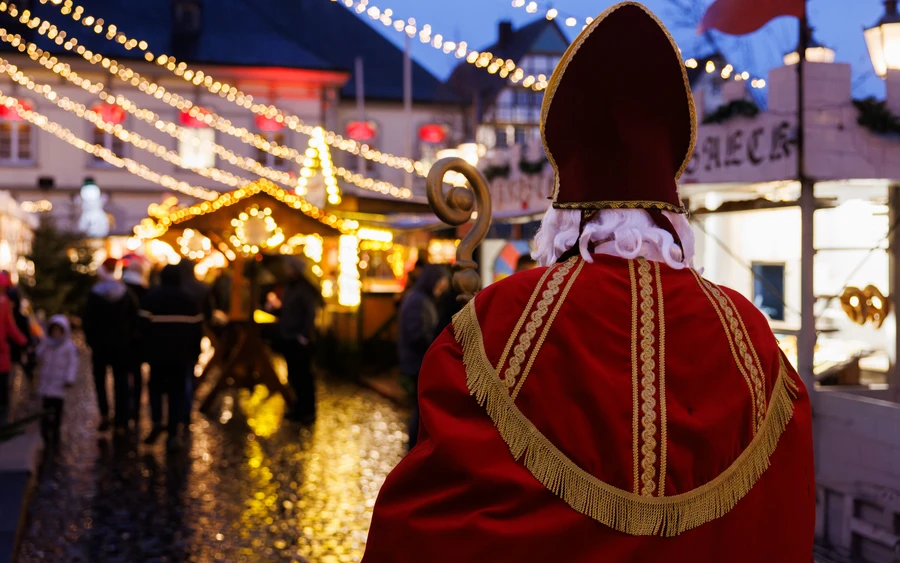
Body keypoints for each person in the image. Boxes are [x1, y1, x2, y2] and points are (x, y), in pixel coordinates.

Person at [362, 4, 814, 562]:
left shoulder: (498, 323)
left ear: (563, 213)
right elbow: (782, 511)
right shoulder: (751, 337)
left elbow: (426, 525)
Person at [140, 264, 203, 449]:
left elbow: (142, 328)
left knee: (156, 389)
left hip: (157, 355)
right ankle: (173, 433)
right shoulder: (189, 300)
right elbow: (197, 330)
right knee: (177, 392)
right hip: (180, 356)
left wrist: (145, 351)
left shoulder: (151, 298)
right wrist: (195, 353)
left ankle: (157, 422)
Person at [82, 258, 139, 433]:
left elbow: (88, 320)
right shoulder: (126, 293)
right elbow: (134, 320)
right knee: (120, 382)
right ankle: (121, 419)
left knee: (101, 381)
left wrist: (91, 341)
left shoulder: (94, 293)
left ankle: (105, 415)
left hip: (100, 346)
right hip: (120, 346)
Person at [397, 264, 449, 450]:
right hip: (416, 364)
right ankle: (415, 448)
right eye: (439, 283)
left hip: (416, 362)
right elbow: (417, 335)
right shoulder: (418, 301)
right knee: (419, 412)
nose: (441, 288)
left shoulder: (420, 299)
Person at [271, 257, 324, 424]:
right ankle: (298, 408)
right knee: (294, 375)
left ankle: (308, 410)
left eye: (289, 267)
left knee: (304, 376)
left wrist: (304, 336)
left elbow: (310, 314)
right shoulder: (290, 287)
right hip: (289, 337)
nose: (287, 270)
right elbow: (289, 310)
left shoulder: (304, 289)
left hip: (300, 340)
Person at [35, 315, 78, 447]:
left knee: (57, 409)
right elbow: (38, 354)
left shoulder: (68, 347)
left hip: (59, 385)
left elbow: (72, 364)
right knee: (45, 408)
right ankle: (45, 430)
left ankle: (56, 429)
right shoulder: (47, 344)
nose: (56, 334)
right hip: (46, 382)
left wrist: (69, 378)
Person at [122, 259, 148, 425]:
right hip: (138, 340)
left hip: (123, 339)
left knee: (124, 374)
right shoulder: (145, 291)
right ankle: (135, 408)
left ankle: (125, 407)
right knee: (137, 374)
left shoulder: (122, 290)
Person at [0, 272, 27, 422]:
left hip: (2, 353)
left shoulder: (4, 303)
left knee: (3, 388)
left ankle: (3, 420)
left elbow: (10, 327)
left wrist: (23, 341)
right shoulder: (4, 303)